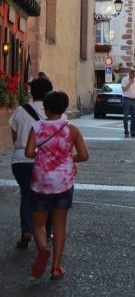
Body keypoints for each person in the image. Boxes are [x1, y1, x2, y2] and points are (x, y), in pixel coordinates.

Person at [25, 91, 89, 279]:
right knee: (60, 223)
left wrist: (42, 153)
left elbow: (29, 153)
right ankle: (56, 267)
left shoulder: (36, 127)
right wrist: (68, 158)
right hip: (64, 183)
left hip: (41, 183)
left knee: (38, 225)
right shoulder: (72, 129)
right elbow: (84, 155)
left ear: (46, 108)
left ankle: (43, 249)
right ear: (63, 108)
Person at [10, 77, 54, 249]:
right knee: (48, 196)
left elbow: (14, 136)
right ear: (49, 93)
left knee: (26, 195)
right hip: (45, 159)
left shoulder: (21, 110)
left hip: (21, 160)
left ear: (31, 92)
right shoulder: (53, 112)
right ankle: (48, 231)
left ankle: (26, 231)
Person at [121, 68, 135, 137]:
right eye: (133, 75)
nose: (134, 77)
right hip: (126, 99)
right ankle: (126, 132)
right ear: (130, 74)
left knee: (134, 116)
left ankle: (133, 132)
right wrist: (130, 83)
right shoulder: (124, 79)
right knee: (126, 116)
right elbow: (124, 89)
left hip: (134, 100)